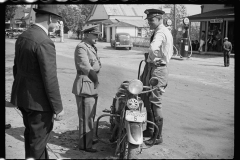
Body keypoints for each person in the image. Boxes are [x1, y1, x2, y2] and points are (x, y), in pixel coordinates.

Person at [10, 5, 64, 159]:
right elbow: (50, 78)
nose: (58, 25)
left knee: (32, 139)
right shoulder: (45, 41)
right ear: (51, 18)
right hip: (39, 105)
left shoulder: (24, 36)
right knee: (37, 145)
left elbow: (16, 68)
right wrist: (58, 108)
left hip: (24, 99)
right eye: (58, 21)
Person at [140, 9, 173, 145]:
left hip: (158, 70)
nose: (149, 22)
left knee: (155, 102)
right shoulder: (159, 30)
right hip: (153, 68)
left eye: (151, 20)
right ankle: (150, 129)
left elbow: (153, 48)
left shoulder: (161, 31)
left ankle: (157, 136)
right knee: (147, 98)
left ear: (160, 19)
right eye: (148, 20)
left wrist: (153, 59)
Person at [72, 26, 102, 153]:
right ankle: (85, 145)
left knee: (91, 115)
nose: (97, 37)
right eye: (94, 35)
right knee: (85, 117)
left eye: (97, 35)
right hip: (85, 84)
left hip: (90, 85)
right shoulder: (81, 47)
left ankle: (88, 139)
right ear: (87, 35)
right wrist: (96, 80)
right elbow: (86, 67)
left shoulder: (90, 47)